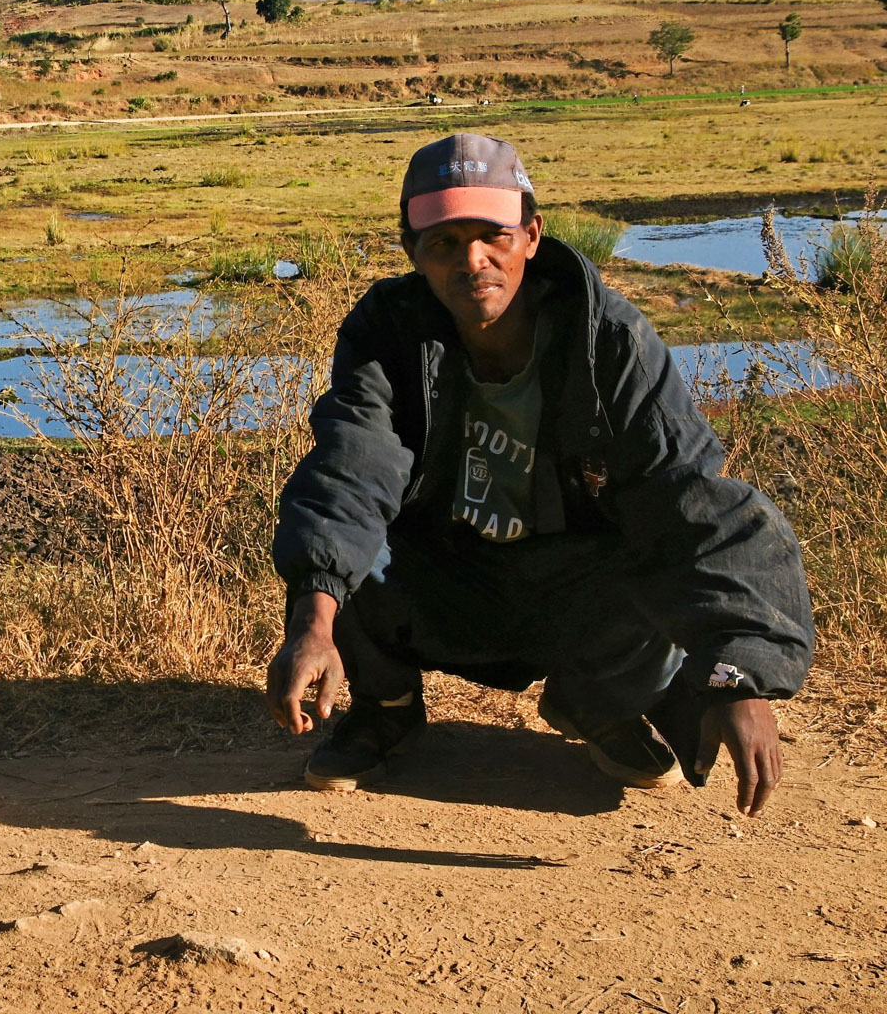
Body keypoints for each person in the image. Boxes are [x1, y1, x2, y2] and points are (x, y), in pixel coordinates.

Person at [264, 134, 813, 816]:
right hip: (444, 576)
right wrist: (313, 622)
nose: (472, 260)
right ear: (413, 252)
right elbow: (353, 466)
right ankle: (386, 706)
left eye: (493, 234)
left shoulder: (608, 339)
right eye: (443, 242)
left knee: (650, 554)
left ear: (531, 233)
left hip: (575, 585)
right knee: (346, 543)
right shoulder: (389, 328)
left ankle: (600, 704)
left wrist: (740, 678)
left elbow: (692, 500)